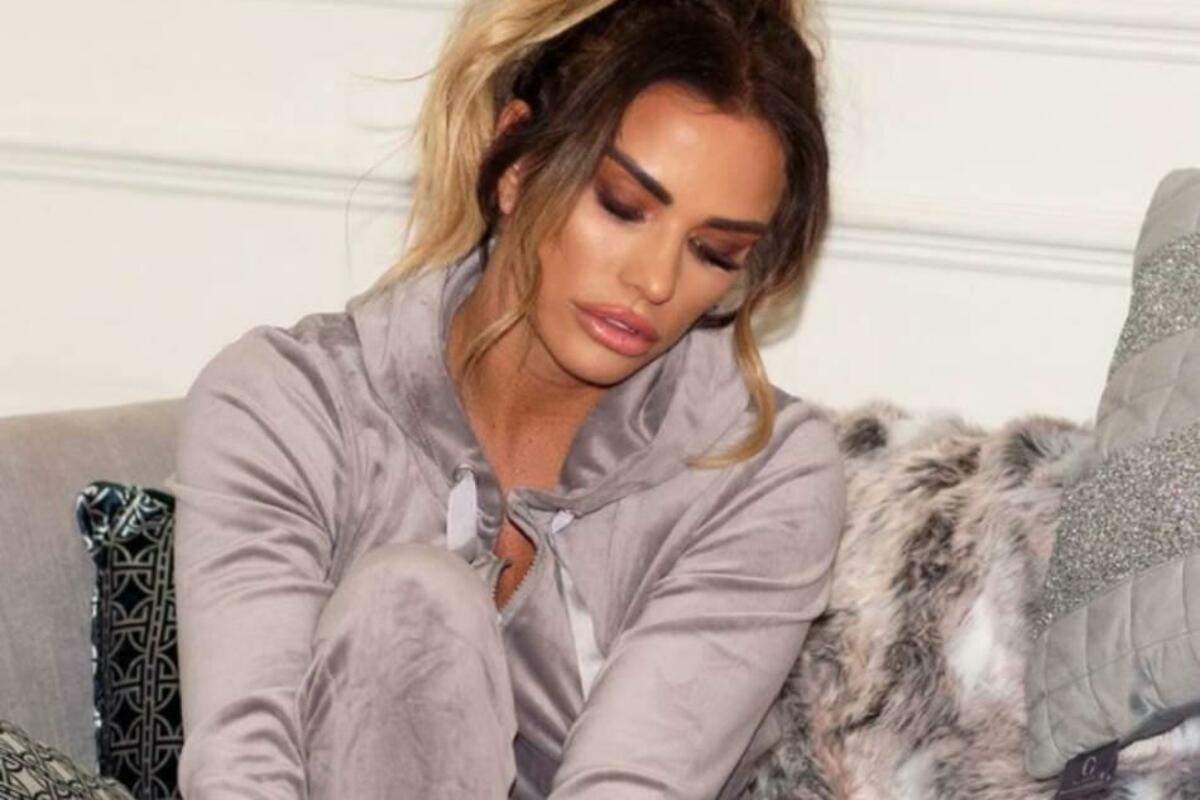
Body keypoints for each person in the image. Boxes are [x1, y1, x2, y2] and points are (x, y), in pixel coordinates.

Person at [165, 0, 847, 797]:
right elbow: (243, 767)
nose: (656, 281)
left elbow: (633, 785)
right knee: (409, 601)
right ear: (516, 161)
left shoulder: (765, 475)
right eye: (622, 207)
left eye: (714, 251)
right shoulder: (289, 404)